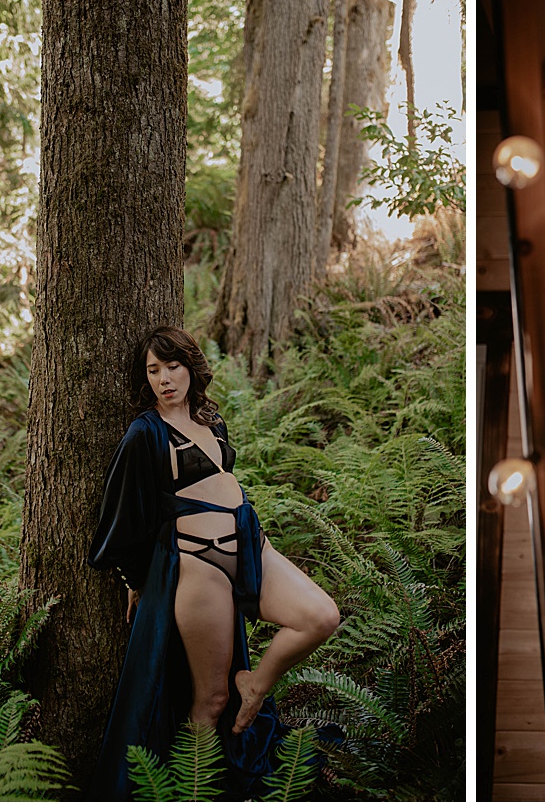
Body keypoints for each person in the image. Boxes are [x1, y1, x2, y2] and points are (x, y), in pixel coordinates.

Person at [87, 326, 340, 799]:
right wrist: (134, 580)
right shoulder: (146, 432)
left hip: (251, 546)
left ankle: (256, 685)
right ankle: (193, 793)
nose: (164, 379)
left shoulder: (211, 420)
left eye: (173, 366)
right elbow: (123, 512)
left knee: (321, 616)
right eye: (153, 370)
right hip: (200, 564)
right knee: (210, 700)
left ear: (191, 367)